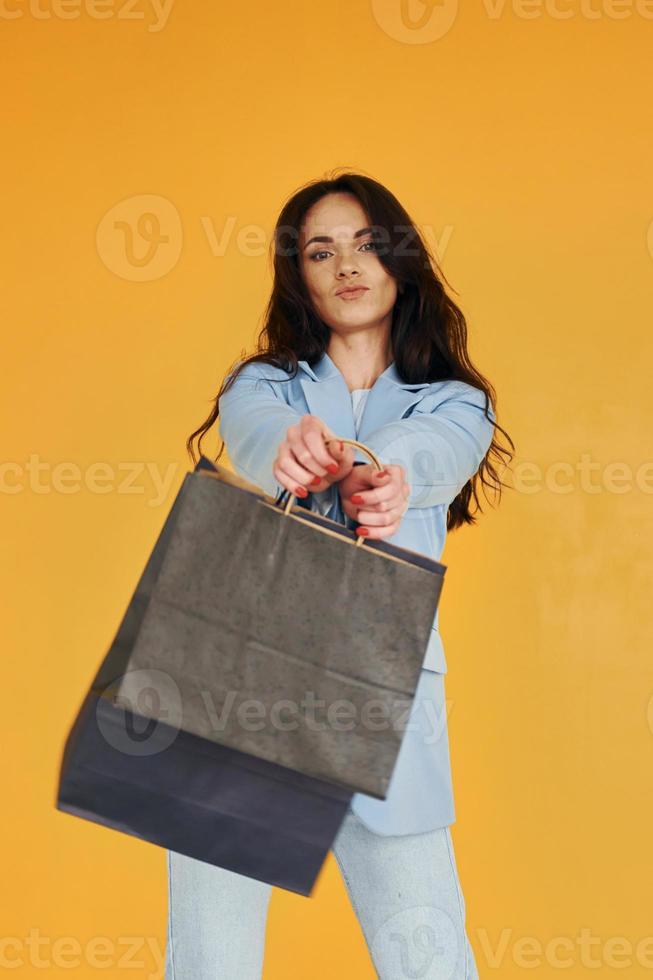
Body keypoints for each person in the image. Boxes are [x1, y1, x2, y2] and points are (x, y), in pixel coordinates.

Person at [167, 170, 514, 979]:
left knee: (425, 951)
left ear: (398, 260)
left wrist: (379, 467)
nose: (346, 265)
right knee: (209, 954)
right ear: (299, 276)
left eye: (364, 244)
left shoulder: (455, 402)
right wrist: (298, 448)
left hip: (384, 691)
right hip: (240, 681)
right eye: (320, 252)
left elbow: (435, 455)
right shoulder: (264, 386)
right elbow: (258, 433)